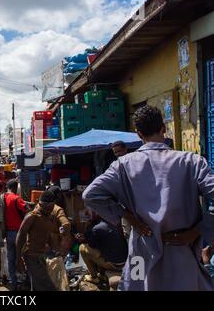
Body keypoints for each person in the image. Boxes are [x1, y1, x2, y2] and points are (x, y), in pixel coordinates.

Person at [83, 105, 214, 291]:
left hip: (140, 251)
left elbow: (90, 195)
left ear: (138, 133)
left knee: (136, 285)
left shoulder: (122, 165)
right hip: (181, 250)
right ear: (164, 129)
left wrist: (126, 216)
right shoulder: (191, 162)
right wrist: (198, 230)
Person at [16, 190, 57, 291]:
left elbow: (48, 235)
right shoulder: (32, 216)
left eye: (50, 207)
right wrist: (18, 259)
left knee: (37, 286)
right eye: (45, 207)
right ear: (40, 204)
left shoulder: (49, 216)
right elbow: (20, 235)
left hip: (41, 256)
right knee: (47, 287)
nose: (48, 209)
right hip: (32, 256)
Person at [75, 214, 128, 285]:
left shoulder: (96, 228)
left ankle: (94, 278)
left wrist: (86, 226)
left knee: (82, 247)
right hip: (124, 262)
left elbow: (91, 245)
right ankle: (102, 274)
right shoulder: (112, 221)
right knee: (101, 248)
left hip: (114, 265)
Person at [3, 179, 28, 291]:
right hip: (19, 234)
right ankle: (26, 279)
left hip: (8, 233)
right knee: (24, 256)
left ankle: (14, 283)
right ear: (15, 187)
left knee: (11, 258)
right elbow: (27, 209)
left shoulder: (1, 198)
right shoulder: (16, 198)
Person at [46, 186, 72, 256]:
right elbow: (66, 224)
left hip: (49, 242)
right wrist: (63, 234)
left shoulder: (44, 207)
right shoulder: (57, 209)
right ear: (58, 196)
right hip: (58, 242)